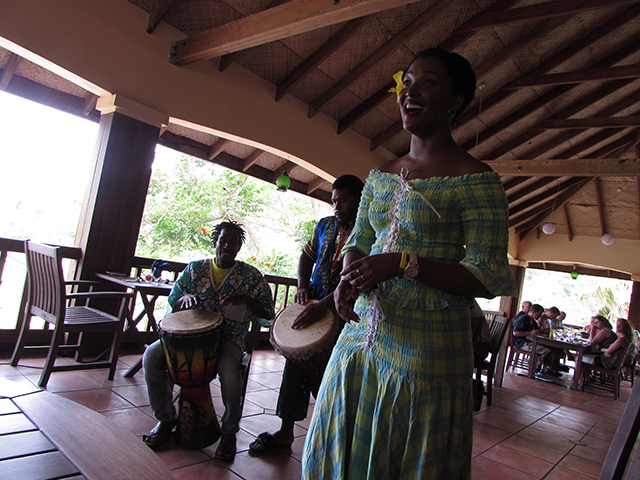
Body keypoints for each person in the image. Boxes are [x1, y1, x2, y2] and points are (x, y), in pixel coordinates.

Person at [301, 48, 517, 480]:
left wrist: (403, 263)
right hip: (360, 340)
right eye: (408, 81)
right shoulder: (382, 173)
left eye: (429, 82)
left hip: (426, 354)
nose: (409, 92)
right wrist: (348, 278)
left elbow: (489, 275)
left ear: (456, 100)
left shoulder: (477, 181)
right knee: (334, 452)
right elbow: (360, 239)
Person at [248, 174, 364, 454]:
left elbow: (357, 278)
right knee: (296, 361)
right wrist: (302, 287)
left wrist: (323, 306)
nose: (337, 206)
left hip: (347, 314)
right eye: (334, 200)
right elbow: (306, 257)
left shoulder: (367, 231)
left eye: (343, 200)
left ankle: (332, 439)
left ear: (359, 200)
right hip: (313, 301)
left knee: (334, 376)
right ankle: (286, 433)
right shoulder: (324, 225)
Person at [141, 221, 275, 460]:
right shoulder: (194, 270)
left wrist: (246, 299)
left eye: (232, 242)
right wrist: (185, 299)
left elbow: (267, 314)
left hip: (227, 342)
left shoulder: (251, 277)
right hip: (188, 341)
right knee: (151, 355)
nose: (227, 246)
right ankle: (165, 419)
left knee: (231, 378)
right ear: (215, 242)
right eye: (223, 241)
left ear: (238, 247)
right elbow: (174, 300)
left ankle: (229, 432)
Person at [512, 303, 559, 380]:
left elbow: (537, 330)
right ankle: (539, 370)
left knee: (552, 348)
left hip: (529, 341)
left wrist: (542, 331)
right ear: (533, 312)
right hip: (521, 343)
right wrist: (530, 333)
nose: (540, 316)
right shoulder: (523, 319)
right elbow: (516, 333)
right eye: (539, 314)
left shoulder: (532, 321)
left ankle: (542, 369)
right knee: (547, 351)